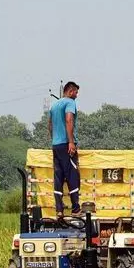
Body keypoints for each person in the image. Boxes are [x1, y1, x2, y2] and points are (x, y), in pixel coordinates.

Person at [48, 81, 81, 217]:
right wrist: (71, 142)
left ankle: (59, 210)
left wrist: (54, 139)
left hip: (56, 145)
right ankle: (75, 208)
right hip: (66, 144)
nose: (77, 95)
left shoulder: (54, 105)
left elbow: (50, 125)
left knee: (58, 176)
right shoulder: (70, 103)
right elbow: (69, 120)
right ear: (70, 91)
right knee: (72, 174)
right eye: (76, 92)